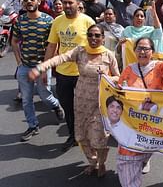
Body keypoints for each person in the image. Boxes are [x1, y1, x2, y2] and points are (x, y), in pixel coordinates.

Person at [29, 24, 119, 176]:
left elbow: (118, 76)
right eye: (90, 35)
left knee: (99, 138)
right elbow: (61, 57)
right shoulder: (80, 51)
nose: (93, 38)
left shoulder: (108, 55)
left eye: (97, 35)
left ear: (103, 38)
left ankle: (101, 163)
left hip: (100, 103)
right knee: (82, 136)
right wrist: (41, 67)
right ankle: (92, 162)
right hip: (81, 101)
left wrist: (107, 77)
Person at [116, 36, 163, 184]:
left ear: (152, 52)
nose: (142, 52)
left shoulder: (160, 68)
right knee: (128, 163)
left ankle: (144, 160)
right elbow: (118, 91)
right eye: (139, 48)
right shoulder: (128, 70)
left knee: (145, 153)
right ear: (134, 51)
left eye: (146, 49)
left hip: (153, 128)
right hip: (131, 127)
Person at [43, 0, 95, 152]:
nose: (66, 6)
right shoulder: (57, 22)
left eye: (70, 2)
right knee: (68, 106)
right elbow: (52, 45)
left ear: (78, 4)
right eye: (64, 2)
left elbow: (96, 46)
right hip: (63, 73)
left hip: (83, 74)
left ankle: (87, 135)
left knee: (85, 107)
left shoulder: (87, 21)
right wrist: (45, 69)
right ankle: (73, 135)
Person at [11, 0, 64, 141]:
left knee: (45, 96)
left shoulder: (48, 21)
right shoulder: (20, 21)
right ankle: (32, 126)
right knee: (27, 99)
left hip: (42, 66)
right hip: (25, 67)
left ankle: (56, 106)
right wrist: (19, 61)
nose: (29, 2)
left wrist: (46, 66)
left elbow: (53, 45)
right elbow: (14, 41)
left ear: (39, 1)